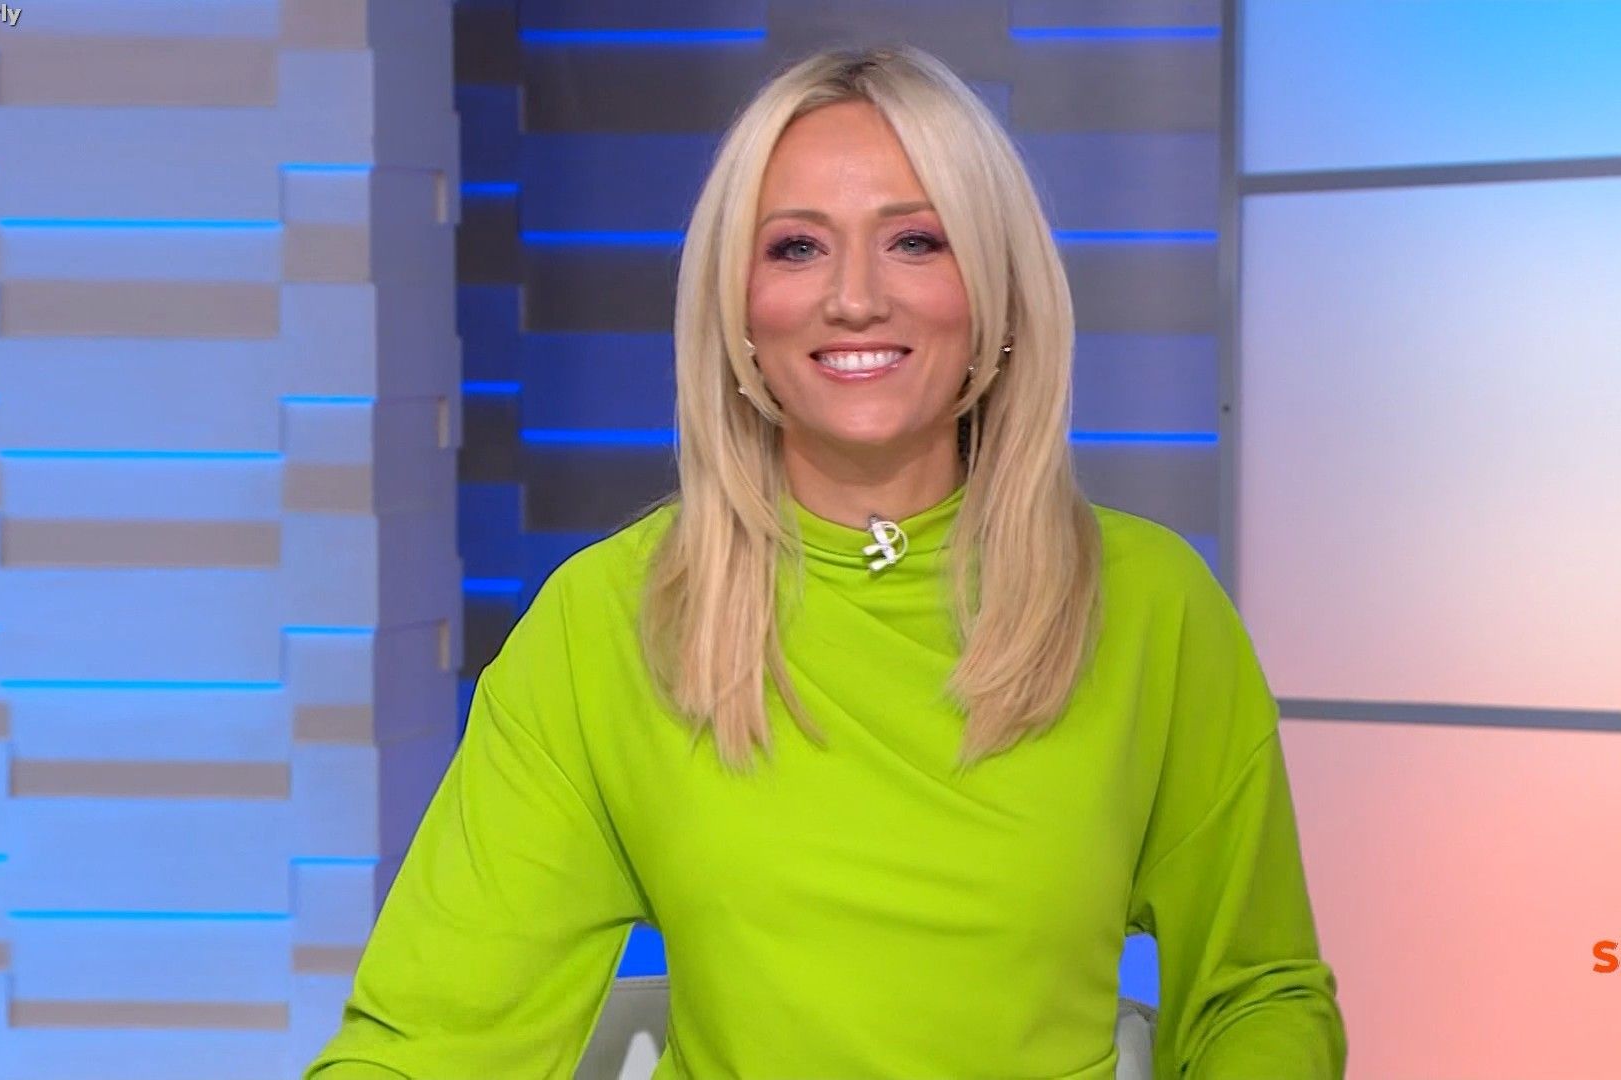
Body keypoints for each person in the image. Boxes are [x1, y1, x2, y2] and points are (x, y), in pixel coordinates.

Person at [305, 44, 1345, 1079]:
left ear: (995, 292)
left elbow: (1257, 996)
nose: (853, 298)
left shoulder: (1150, 603)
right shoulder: (606, 619)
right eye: (797, 247)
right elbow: (424, 1044)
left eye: (916, 241)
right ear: (739, 311)